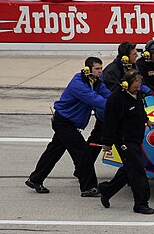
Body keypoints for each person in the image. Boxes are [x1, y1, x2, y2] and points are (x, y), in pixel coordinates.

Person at [26, 57, 110, 195]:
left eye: (101, 68)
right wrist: (116, 106)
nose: (100, 72)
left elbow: (107, 94)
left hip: (68, 123)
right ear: (88, 69)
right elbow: (95, 100)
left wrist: (118, 100)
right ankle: (89, 187)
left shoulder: (96, 82)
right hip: (63, 122)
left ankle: (35, 179)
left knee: (53, 152)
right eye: (97, 69)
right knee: (83, 153)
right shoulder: (78, 83)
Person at [99, 69, 154, 214]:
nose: (138, 87)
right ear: (126, 84)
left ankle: (107, 190)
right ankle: (141, 204)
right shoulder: (116, 99)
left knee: (128, 169)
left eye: (139, 84)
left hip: (136, 139)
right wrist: (107, 143)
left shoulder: (136, 95)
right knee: (138, 171)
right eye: (136, 84)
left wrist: (147, 120)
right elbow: (110, 122)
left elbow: (140, 110)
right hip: (124, 141)